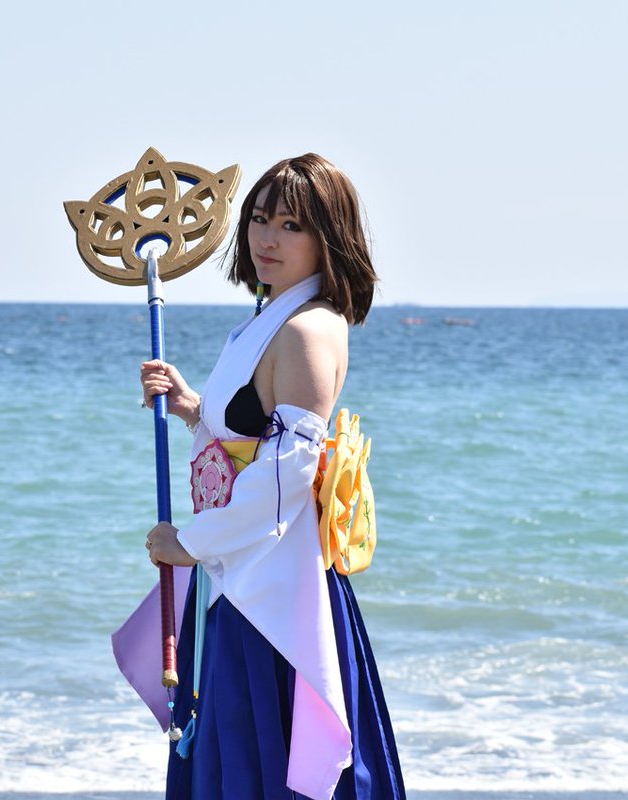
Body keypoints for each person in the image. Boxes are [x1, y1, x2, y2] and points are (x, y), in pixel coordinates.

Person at [132, 154, 405, 799]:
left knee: (260, 767)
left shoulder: (308, 330)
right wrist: (192, 407)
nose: (267, 239)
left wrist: (189, 544)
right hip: (239, 574)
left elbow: (284, 480)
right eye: (259, 219)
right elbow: (249, 438)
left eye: (291, 225)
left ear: (328, 237)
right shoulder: (269, 319)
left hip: (271, 593)